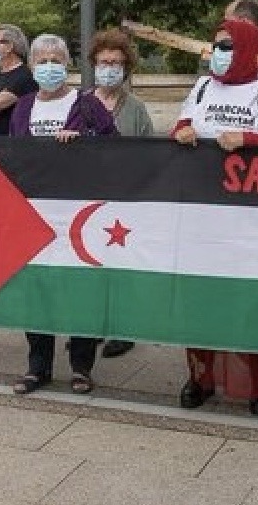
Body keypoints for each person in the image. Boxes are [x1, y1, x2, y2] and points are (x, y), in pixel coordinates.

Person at [173, 16, 258, 416]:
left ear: (249, 49)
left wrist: (249, 140)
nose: (219, 54)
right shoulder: (201, 87)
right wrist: (181, 132)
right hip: (204, 214)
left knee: (252, 300)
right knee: (202, 296)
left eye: (228, 46)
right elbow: (183, 123)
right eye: (216, 46)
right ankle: (201, 376)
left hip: (252, 218)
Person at [7, 34, 117, 395]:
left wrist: (83, 143)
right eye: (42, 60)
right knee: (37, 288)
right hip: (36, 213)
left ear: (67, 64)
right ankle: (38, 366)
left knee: (79, 288)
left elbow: (117, 150)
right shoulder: (23, 107)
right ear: (33, 66)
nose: (49, 66)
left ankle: (81, 366)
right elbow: (13, 156)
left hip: (78, 213)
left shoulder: (87, 105)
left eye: (56, 59)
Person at [88, 27, 155, 359]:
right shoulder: (81, 103)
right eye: (103, 62)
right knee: (91, 265)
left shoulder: (136, 108)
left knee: (122, 265)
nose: (109, 68)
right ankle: (91, 329)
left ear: (126, 66)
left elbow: (149, 153)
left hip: (125, 198)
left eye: (115, 62)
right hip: (87, 198)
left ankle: (123, 329)